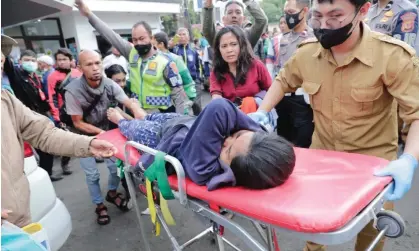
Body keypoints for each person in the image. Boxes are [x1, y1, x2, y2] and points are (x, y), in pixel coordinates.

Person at [247, 0, 419, 249]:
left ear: (363, 11)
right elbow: (284, 79)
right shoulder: (308, 53)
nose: (324, 25)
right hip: (323, 161)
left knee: (371, 233)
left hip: (373, 168)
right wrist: (263, 111)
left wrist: (409, 159)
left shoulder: (392, 56)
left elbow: (416, 115)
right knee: (314, 229)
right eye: (318, 15)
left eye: (336, 16)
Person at [1, 35, 117, 228]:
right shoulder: (71, 89)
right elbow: (75, 120)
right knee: (92, 176)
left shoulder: (5, 100)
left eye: (1, 62)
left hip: (18, 220)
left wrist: (88, 144)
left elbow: (44, 133)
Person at [107, 98, 296, 190]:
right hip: (184, 123)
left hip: (158, 137)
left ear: (231, 170)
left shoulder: (204, 168)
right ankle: (140, 112)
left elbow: (219, 108)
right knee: (148, 116)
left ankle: (120, 118)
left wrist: (254, 130)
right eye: (236, 134)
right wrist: (258, 134)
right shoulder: (237, 153)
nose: (226, 140)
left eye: (227, 150)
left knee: (130, 125)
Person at [64, 50, 145, 225]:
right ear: (80, 67)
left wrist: (138, 112)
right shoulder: (72, 91)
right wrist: (102, 135)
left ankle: (111, 192)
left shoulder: (109, 84)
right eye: (89, 64)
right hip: (83, 137)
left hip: (106, 133)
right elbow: (77, 123)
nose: (95, 68)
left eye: (97, 63)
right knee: (92, 175)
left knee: (116, 168)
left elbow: (127, 101)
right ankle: (99, 205)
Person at [75, 0, 189, 115]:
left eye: (142, 38)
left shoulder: (165, 62)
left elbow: (178, 95)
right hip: (139, 113)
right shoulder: (131, 53)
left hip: (163, 114)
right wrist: (88, 14)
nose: (138, 43)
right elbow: (110, 34)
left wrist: (180, 122)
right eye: (135, 40)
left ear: (151, 37)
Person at [365, 0, 419, 149]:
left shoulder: (406, 11)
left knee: (383, 135)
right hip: (365, 78)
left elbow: (401, 55)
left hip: (389, 82)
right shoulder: (371, 9)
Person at [3, 50, 63, 181]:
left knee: (46, 149)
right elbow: (7, 64)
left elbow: (40, 97)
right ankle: (45, 176)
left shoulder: (34, 76)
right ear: (20, 61)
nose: (30, 63)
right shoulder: (17, 75)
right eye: (26, 60)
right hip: (26, 117)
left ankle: (47, 174)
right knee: (44, 149)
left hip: (39, 115)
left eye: (32, 60)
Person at [210, 26, 276, 126]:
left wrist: (254, 102)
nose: (229, 50)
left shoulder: (256, 66)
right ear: (218, 49)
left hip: (257, 119)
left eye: (233, 44)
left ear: (242, 45)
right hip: (230, 121)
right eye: (224, 46)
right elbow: (216, 97)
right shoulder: (217, 71)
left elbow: (271, 91)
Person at [275, 0, 315, 149]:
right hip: (283, 97)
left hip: (303, 99)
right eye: (286, 13)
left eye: (291, 13)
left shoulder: (314, 37)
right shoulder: (284, 38)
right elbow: (280, 67)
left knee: (303, 142)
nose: (287, 17)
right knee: (283, 142)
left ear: (304, 11)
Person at [152, 32, 197, 102]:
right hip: (159, 102)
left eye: (153, 45)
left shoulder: (175, 58)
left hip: (176, 100)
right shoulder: (151, 61)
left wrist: (190, 97)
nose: (151, 48)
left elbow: (186, 79)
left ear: (161, 44)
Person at [202, 0, 268, 48]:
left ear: (243, 19)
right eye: (230, 12)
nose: (234, 15)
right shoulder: (218, 36)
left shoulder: (248, 35)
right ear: (224, 19)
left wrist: (247, 1)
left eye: (238, 12)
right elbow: (207, 30)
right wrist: (208, 3)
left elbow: (262, 21)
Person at [173, 28, 202, 111]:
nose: (182, 37)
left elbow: (199, 65)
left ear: (188, 37)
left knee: (197, 105)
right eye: (180, 34)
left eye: (184, 34)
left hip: (193, 81)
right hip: (179, 84)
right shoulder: (174, 50)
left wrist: (199, 78)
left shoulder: (194, 50)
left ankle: (199, 121)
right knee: (182, 107)